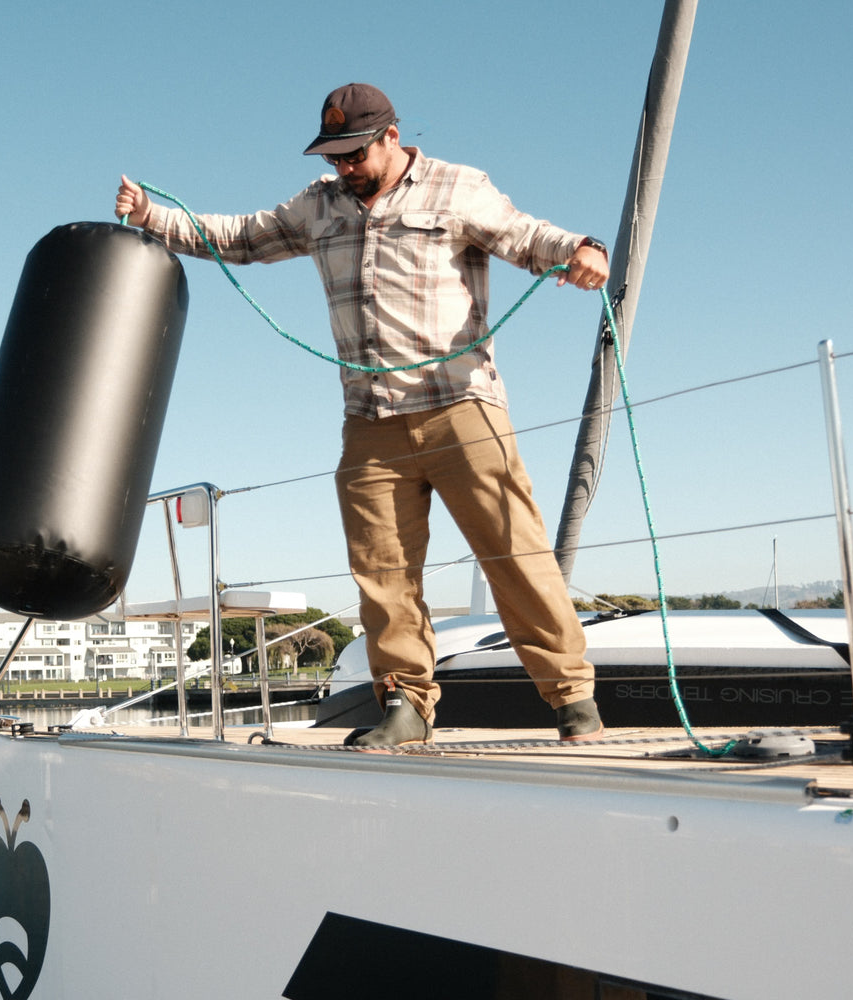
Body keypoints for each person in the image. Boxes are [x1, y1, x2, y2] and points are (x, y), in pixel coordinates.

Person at [115, 83, 608, 747]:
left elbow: (522, 235)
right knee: (382, 574)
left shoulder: (455, 187)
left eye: (353, 154)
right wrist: (152, 216)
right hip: (370, 421)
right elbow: (237, 238)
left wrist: (581, 249)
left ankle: (573, 701)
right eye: (334, 156)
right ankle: (405, 707)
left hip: (461, 405)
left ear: (391, 138)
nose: (343, 168)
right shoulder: (318, 206)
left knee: (515, 555)